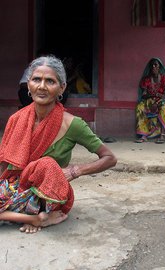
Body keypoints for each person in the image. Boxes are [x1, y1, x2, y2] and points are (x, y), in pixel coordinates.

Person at [0, 55, 117, 233]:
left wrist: (74, 171)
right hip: (17, 185)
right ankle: (36, 219)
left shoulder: (73, 124)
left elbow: (110, 158)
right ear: (28, 85)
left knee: (45, 164)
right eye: (36, 79)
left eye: (50, 81)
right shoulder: (16, 119)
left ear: (62, 87)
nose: (42, 86)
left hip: (48, 193)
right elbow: (4, 164)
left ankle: (34, 214)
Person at [135, 58, 165, 144]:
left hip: (161, 100)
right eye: (152, 65)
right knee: (140, 106)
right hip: (149, 100)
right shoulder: (146, 80)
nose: (154, 67)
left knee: (163, 106)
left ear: (159, 67)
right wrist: (152, 97)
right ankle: (144, 135)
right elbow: (144, 95)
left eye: (156, 65)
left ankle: (162, 135)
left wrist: (157, 100)